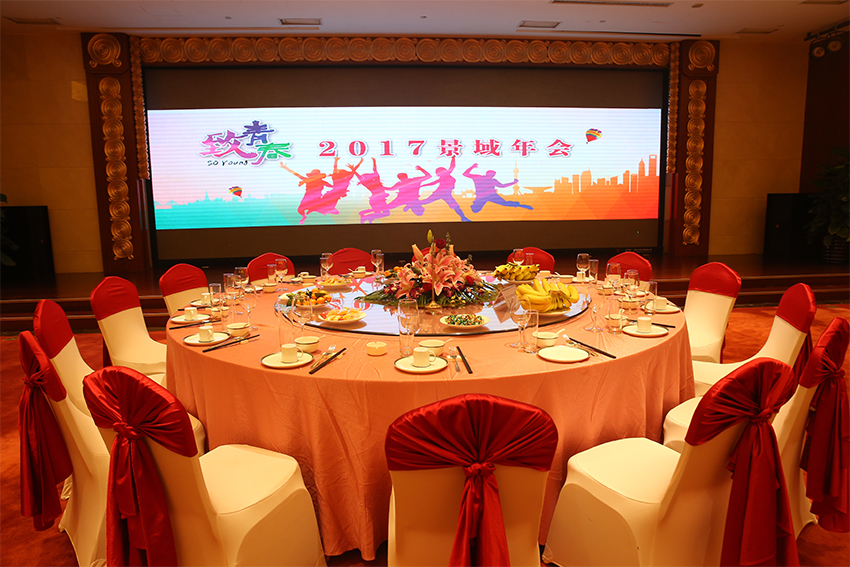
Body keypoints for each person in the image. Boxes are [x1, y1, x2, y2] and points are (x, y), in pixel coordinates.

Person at [462, 163, 532, 213]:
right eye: (491, 174)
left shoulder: (492, 180)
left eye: (493, 175)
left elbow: (502, 186)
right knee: (475, 210)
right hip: (482, 196)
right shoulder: (478, 177)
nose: (492, 176)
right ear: (487, 174)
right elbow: (465, 174)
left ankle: (519, 205)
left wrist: (513, 182)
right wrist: (472, 167)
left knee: (505, 203)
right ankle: (474, 205)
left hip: (491, 195)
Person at [418, 156, 471, 222]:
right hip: (439, 193)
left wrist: (453, 158)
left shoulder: (446, 175)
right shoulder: (443, 176)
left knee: (456, 206)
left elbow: (452, 166)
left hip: (447, 195)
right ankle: (414, 203)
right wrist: (422, 185)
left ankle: (463, 218)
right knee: (425, 202)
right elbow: (433, 183)